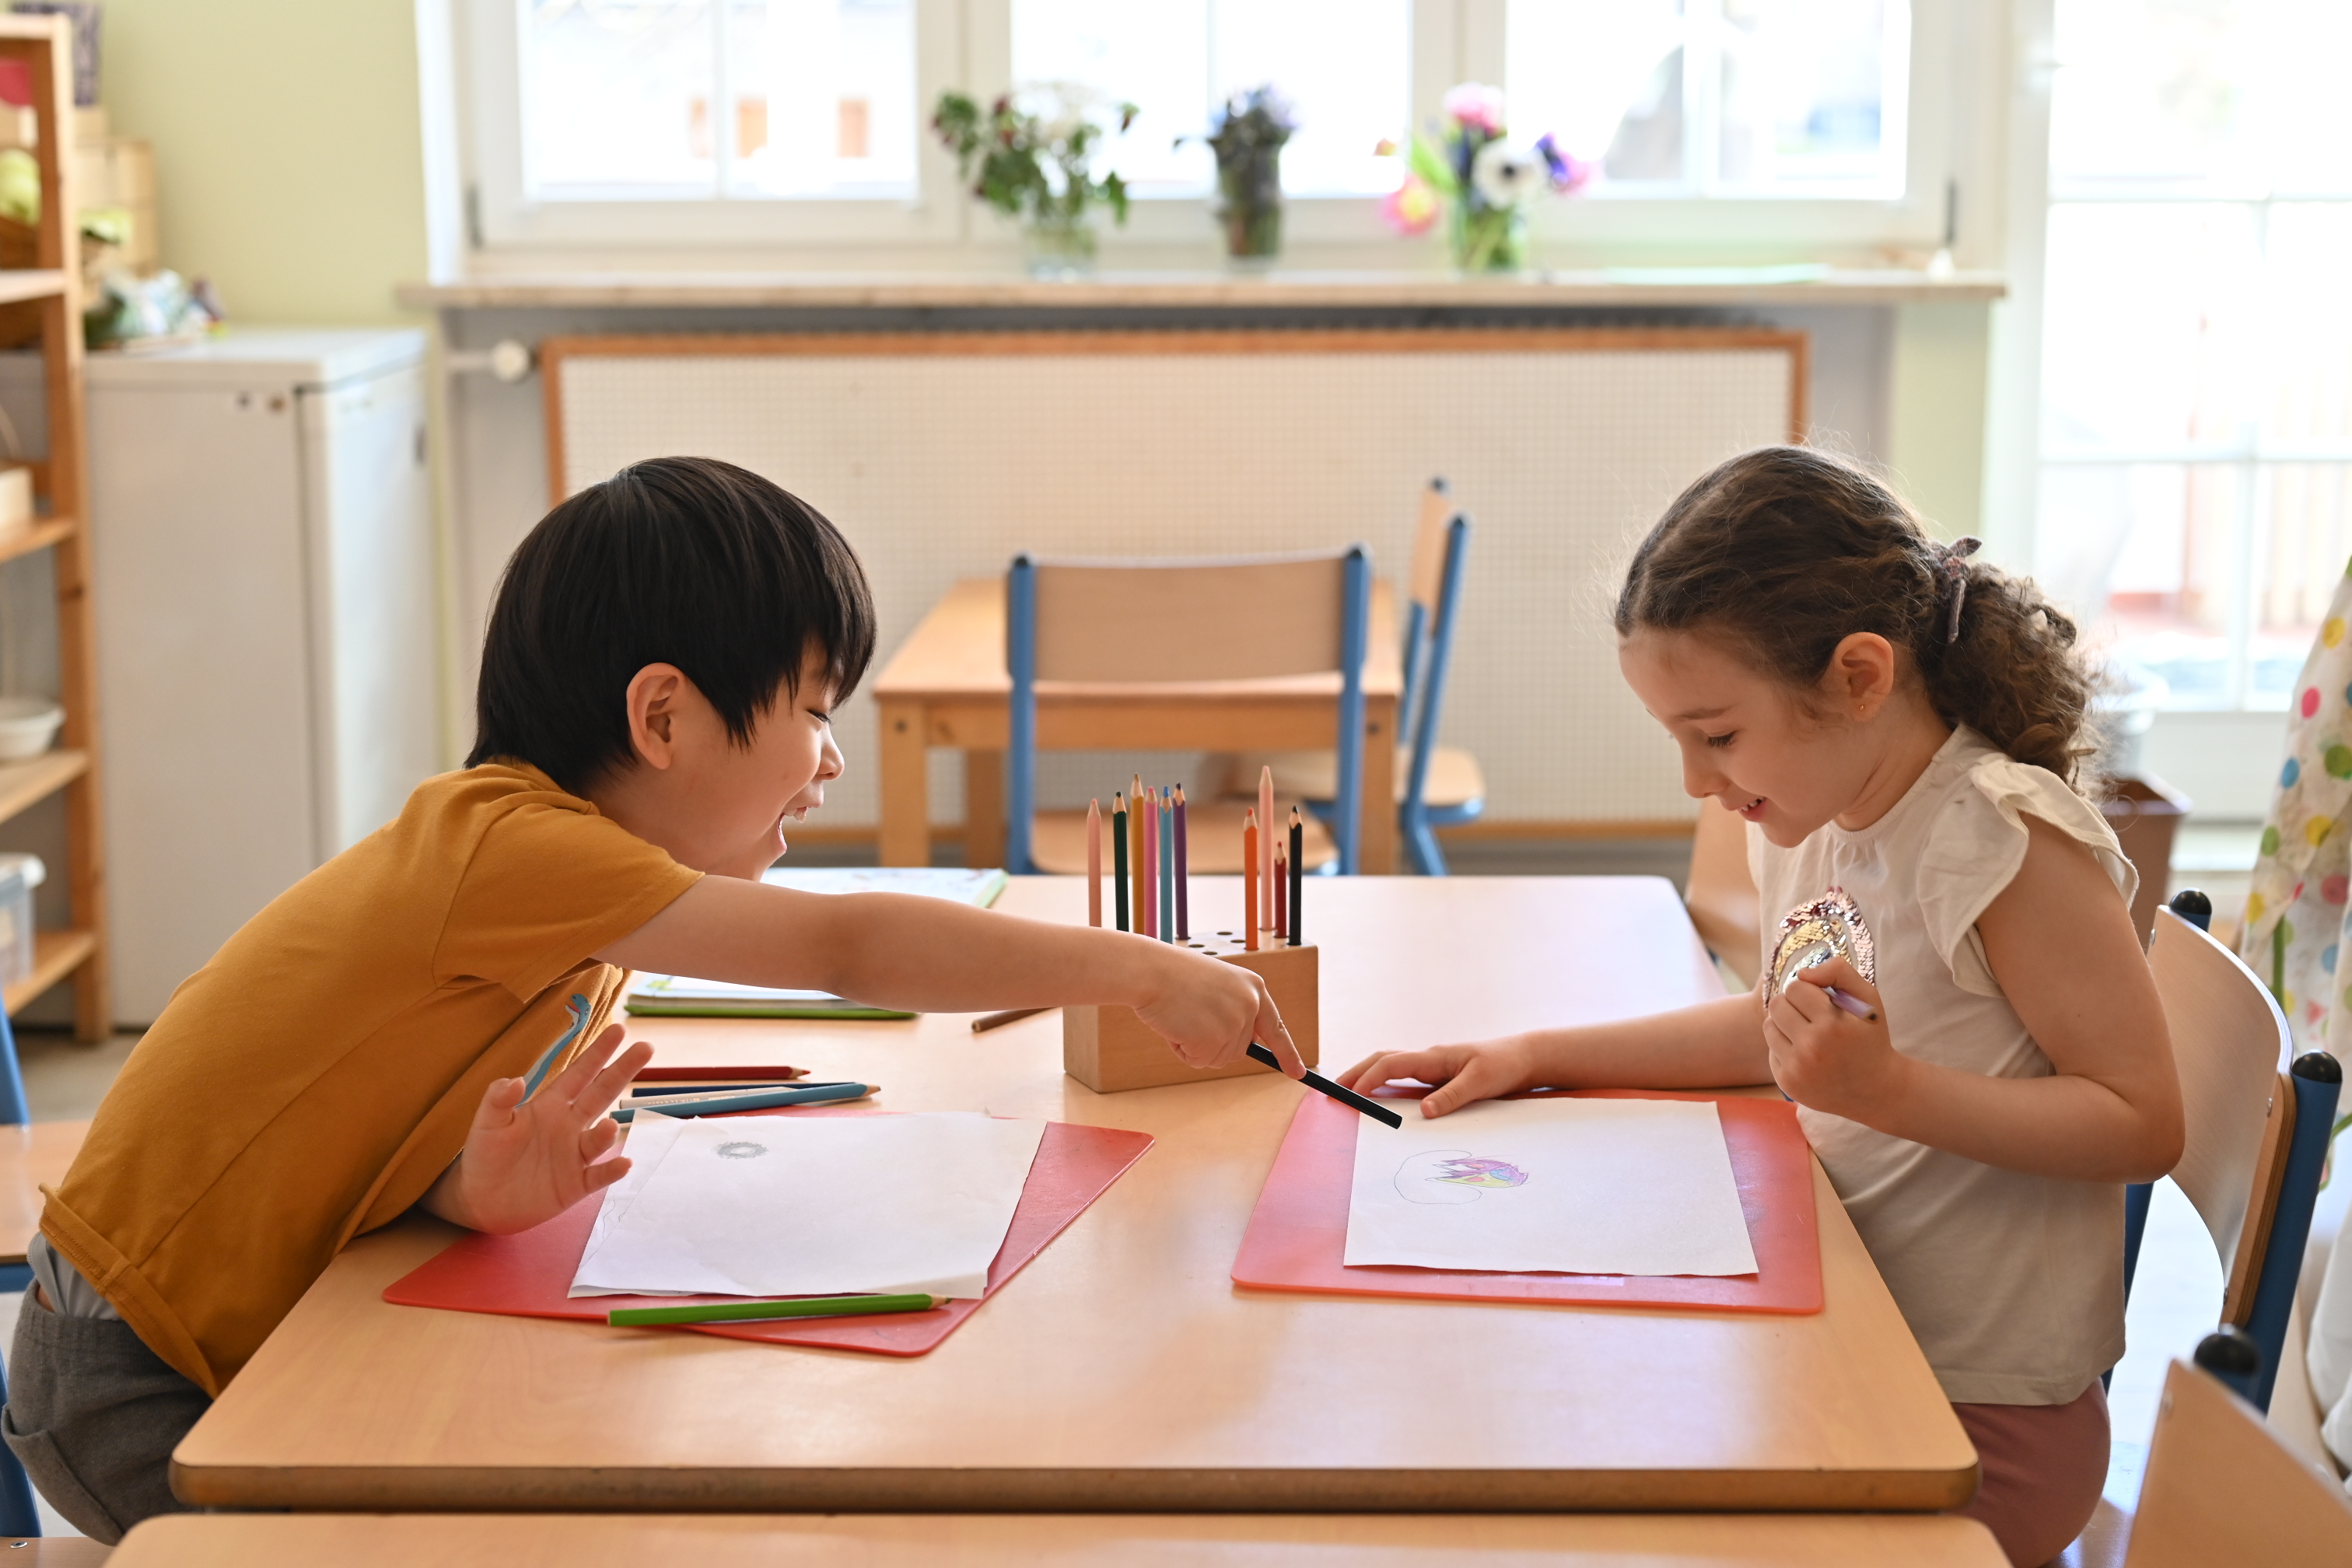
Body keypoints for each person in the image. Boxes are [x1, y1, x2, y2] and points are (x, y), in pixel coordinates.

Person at [5, 457, 1303, 1543]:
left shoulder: (559, 875)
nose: (832, 757)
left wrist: (463, 1190)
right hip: (133, 1370)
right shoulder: (515, 848)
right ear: (664, 717)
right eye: (809, 708)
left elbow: (343, 1105)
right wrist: (1143, 966)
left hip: (193, 1322)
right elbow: (849, 947)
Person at [1340, 446, 2181, 1568]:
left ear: (1858, 679)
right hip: (1838, 1335)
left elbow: (2141, 1121)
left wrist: (1887, 1092)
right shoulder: (1827, 812)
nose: (1697, 781)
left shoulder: (1998, 838)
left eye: (1718, 735)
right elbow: (1775, 1029)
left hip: (1970, 1422)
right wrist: (1534, 1055)